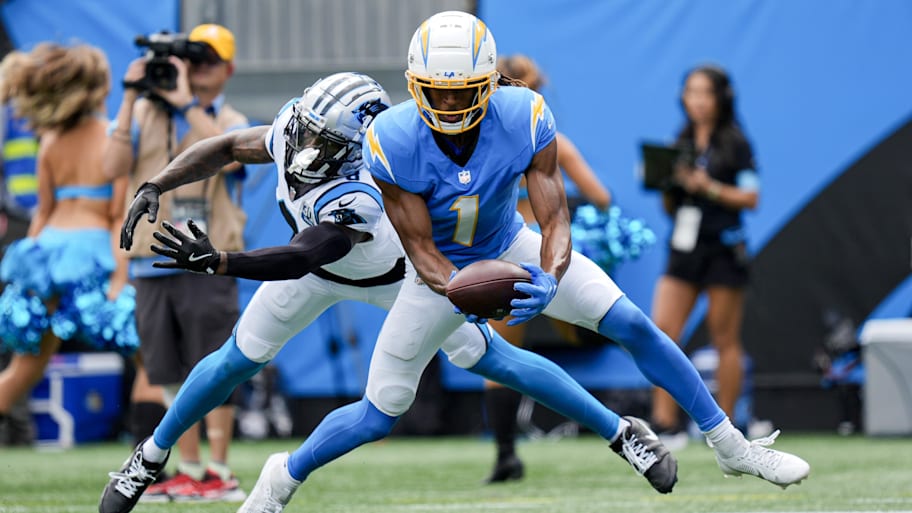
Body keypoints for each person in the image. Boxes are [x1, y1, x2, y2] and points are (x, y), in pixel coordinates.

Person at [98, 70, 679, 513]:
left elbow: (304, 253)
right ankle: (149, 456)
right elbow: (226, 147)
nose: (301, 145)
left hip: (399, 279)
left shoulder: (363, 187)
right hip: (316, 273)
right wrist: (155, 182)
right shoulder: (300, 130)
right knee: (233, 360)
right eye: (303, 128)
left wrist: (220, 261)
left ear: (355, 148)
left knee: (500, 361)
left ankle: (621, 432)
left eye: (320, 138)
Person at [103, 23, 249, 502]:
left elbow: (230, 160)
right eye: (192, 60)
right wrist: (128, 97)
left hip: (209, 257)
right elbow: (111, 168)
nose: (197, 70)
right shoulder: (144, 112)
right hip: (151, 261)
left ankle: (219, 469)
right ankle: (188, 467)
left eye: (207, 61)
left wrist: (187, 103)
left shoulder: (232, 117)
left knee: (218, 362)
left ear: (227, 69)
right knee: (167, 369)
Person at [481, 53, 614, 483]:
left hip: (518, 254)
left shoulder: (484, 147)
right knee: (501, 353)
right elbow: (600, 196)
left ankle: (506, 455)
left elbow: (601, 199)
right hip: (526, 255)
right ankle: (507, 455)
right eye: (531, 88)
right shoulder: (547, 139)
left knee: (501, 353)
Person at [0, 43, 138, 431]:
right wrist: (121, 277)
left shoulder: (50, 142)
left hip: (47, 252)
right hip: (94, 253)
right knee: (148, 360)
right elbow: (117, 218)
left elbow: (42, 211)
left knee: (24, 368)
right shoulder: (115, 138)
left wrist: (27, 264)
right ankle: (152, 458)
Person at [650, 64, 760, 447]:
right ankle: (664, 424)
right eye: (690, 92)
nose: (696, 101)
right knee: (662, 333)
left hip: (723, 249)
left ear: (721, 98)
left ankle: (727, 427)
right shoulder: (677, 141)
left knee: (725, 339)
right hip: (683, 248)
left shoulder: (735, 143)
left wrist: (708, 187)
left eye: (705, 93)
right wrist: (666, 183)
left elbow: (750, 197)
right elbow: (671, 207)